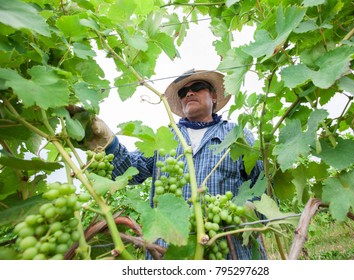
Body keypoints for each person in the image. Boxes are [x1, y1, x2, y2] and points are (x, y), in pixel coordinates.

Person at [85, 69, 267, 260]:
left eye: (197, 87)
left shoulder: (237, 135)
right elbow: (129, 172)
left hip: (228, 252)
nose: (189, 93)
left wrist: (251, 209)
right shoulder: (165, 137)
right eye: (183, 92)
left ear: (214, 97)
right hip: (168, 254)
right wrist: (109, 142)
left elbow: (264, 186)